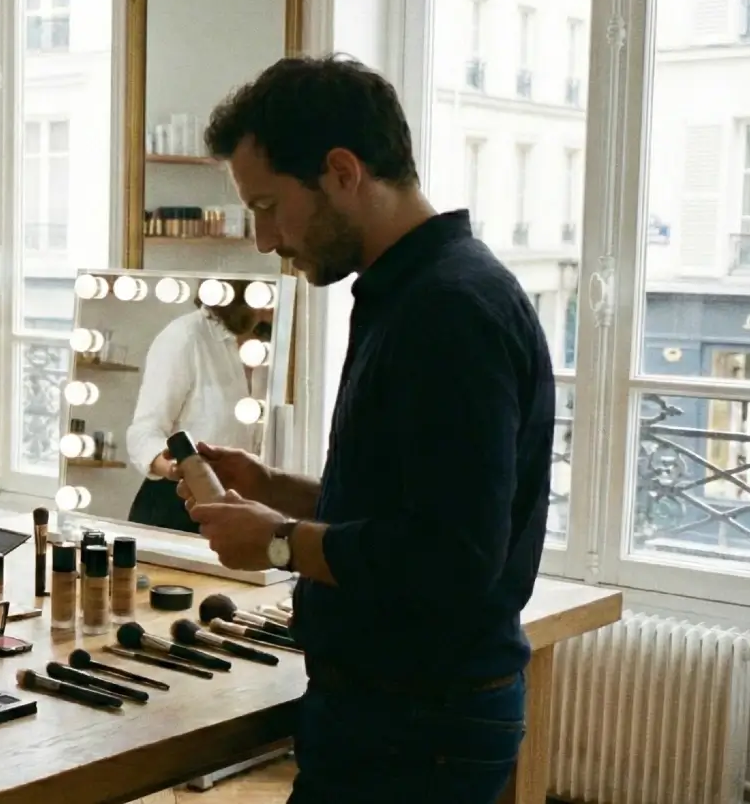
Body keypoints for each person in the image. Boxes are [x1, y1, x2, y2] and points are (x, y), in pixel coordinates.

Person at [184, 56, 554, 804]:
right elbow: (411, 505)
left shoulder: (448, 311)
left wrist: (280, 541)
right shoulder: (409, 292)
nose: (263, 240)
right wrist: (280, 491)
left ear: (342, 172)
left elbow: (452, 557)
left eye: (268, 206)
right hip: (392, 715)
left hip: (418, 728)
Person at [123, 288, 272, 532]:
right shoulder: (186, 336)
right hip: (174, 506)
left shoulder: (276, 345)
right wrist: (180, 469)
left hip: (243, 512)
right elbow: (143, 434)